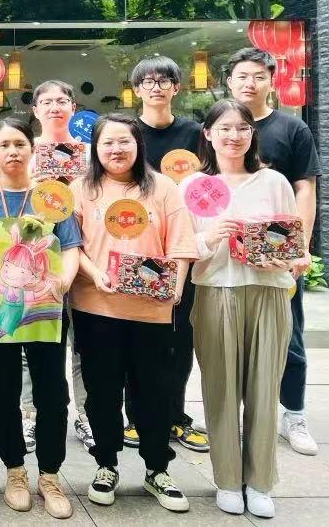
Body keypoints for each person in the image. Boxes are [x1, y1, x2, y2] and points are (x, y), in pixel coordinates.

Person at [70, 114, 197, 513]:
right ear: (95, 148)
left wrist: (174, 289)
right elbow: (72, 246)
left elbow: (181, 244)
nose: (116, 149)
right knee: (102, 391)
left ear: (138, 145)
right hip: (96, 307)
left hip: (152, 311)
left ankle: (157, 468)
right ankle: (106, 464)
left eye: (124, 141)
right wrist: (95, 275)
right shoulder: (81, 189)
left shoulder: (163, 188)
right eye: (107, 142)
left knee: (153, 392)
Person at [184, 99, 302, 518]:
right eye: (225, 128)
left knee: (264, 390)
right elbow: (179, 248)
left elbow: (294, 244)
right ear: (208, 134)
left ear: (253, 134)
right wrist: (209, 237)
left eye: (243, 128)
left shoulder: (274, 182)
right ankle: (228, 480)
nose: (233, 136)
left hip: (268, 293)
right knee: (220, 389)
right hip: (216, 293)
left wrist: (284, 259)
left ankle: (260, 481)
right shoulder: (194, 186)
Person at [0, 117, 80, 519]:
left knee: (53, 393)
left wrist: (64, 280)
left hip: (46, 310)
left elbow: (70, 245)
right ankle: (14, 471)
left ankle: (50, 475)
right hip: (2, 307)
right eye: (4, 145)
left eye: (20, 144)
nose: (13, 152)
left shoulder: (52, 196)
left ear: (32, 149)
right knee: (3, 393)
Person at [226, 47, 320, 456]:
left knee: (289, 334)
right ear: (229, 81)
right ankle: (231, 414)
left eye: (259, 76)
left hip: (278, 252)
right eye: (242, 76)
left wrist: (301, 248)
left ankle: (293, 413)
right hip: (226, 254)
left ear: (271, 81)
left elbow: (305, 188)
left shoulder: (291, 128)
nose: (250, 83)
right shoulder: (217, 124)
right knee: (228, 339)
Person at [128, 57, 209, 453]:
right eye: (148, 81)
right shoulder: (127, 133)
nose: (156, 87)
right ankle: (135, 418)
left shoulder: (194, 133)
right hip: (137, 246)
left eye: (164, 80)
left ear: (177, 87)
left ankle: (175, 416)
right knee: (136, 336)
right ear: (137, 89)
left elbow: (210, 188)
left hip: (182, 249)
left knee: (179, 338)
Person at [17, 80, 92, 453]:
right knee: (33, 343)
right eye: (46, 102)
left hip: (87, 257)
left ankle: (88, 416)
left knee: (85, 346)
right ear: (35, 110)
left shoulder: (90, 154)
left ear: (73, 107)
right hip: (39, 259)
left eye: (62, 100)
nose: (54, 107)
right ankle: (30, 416)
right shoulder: (26, 152)